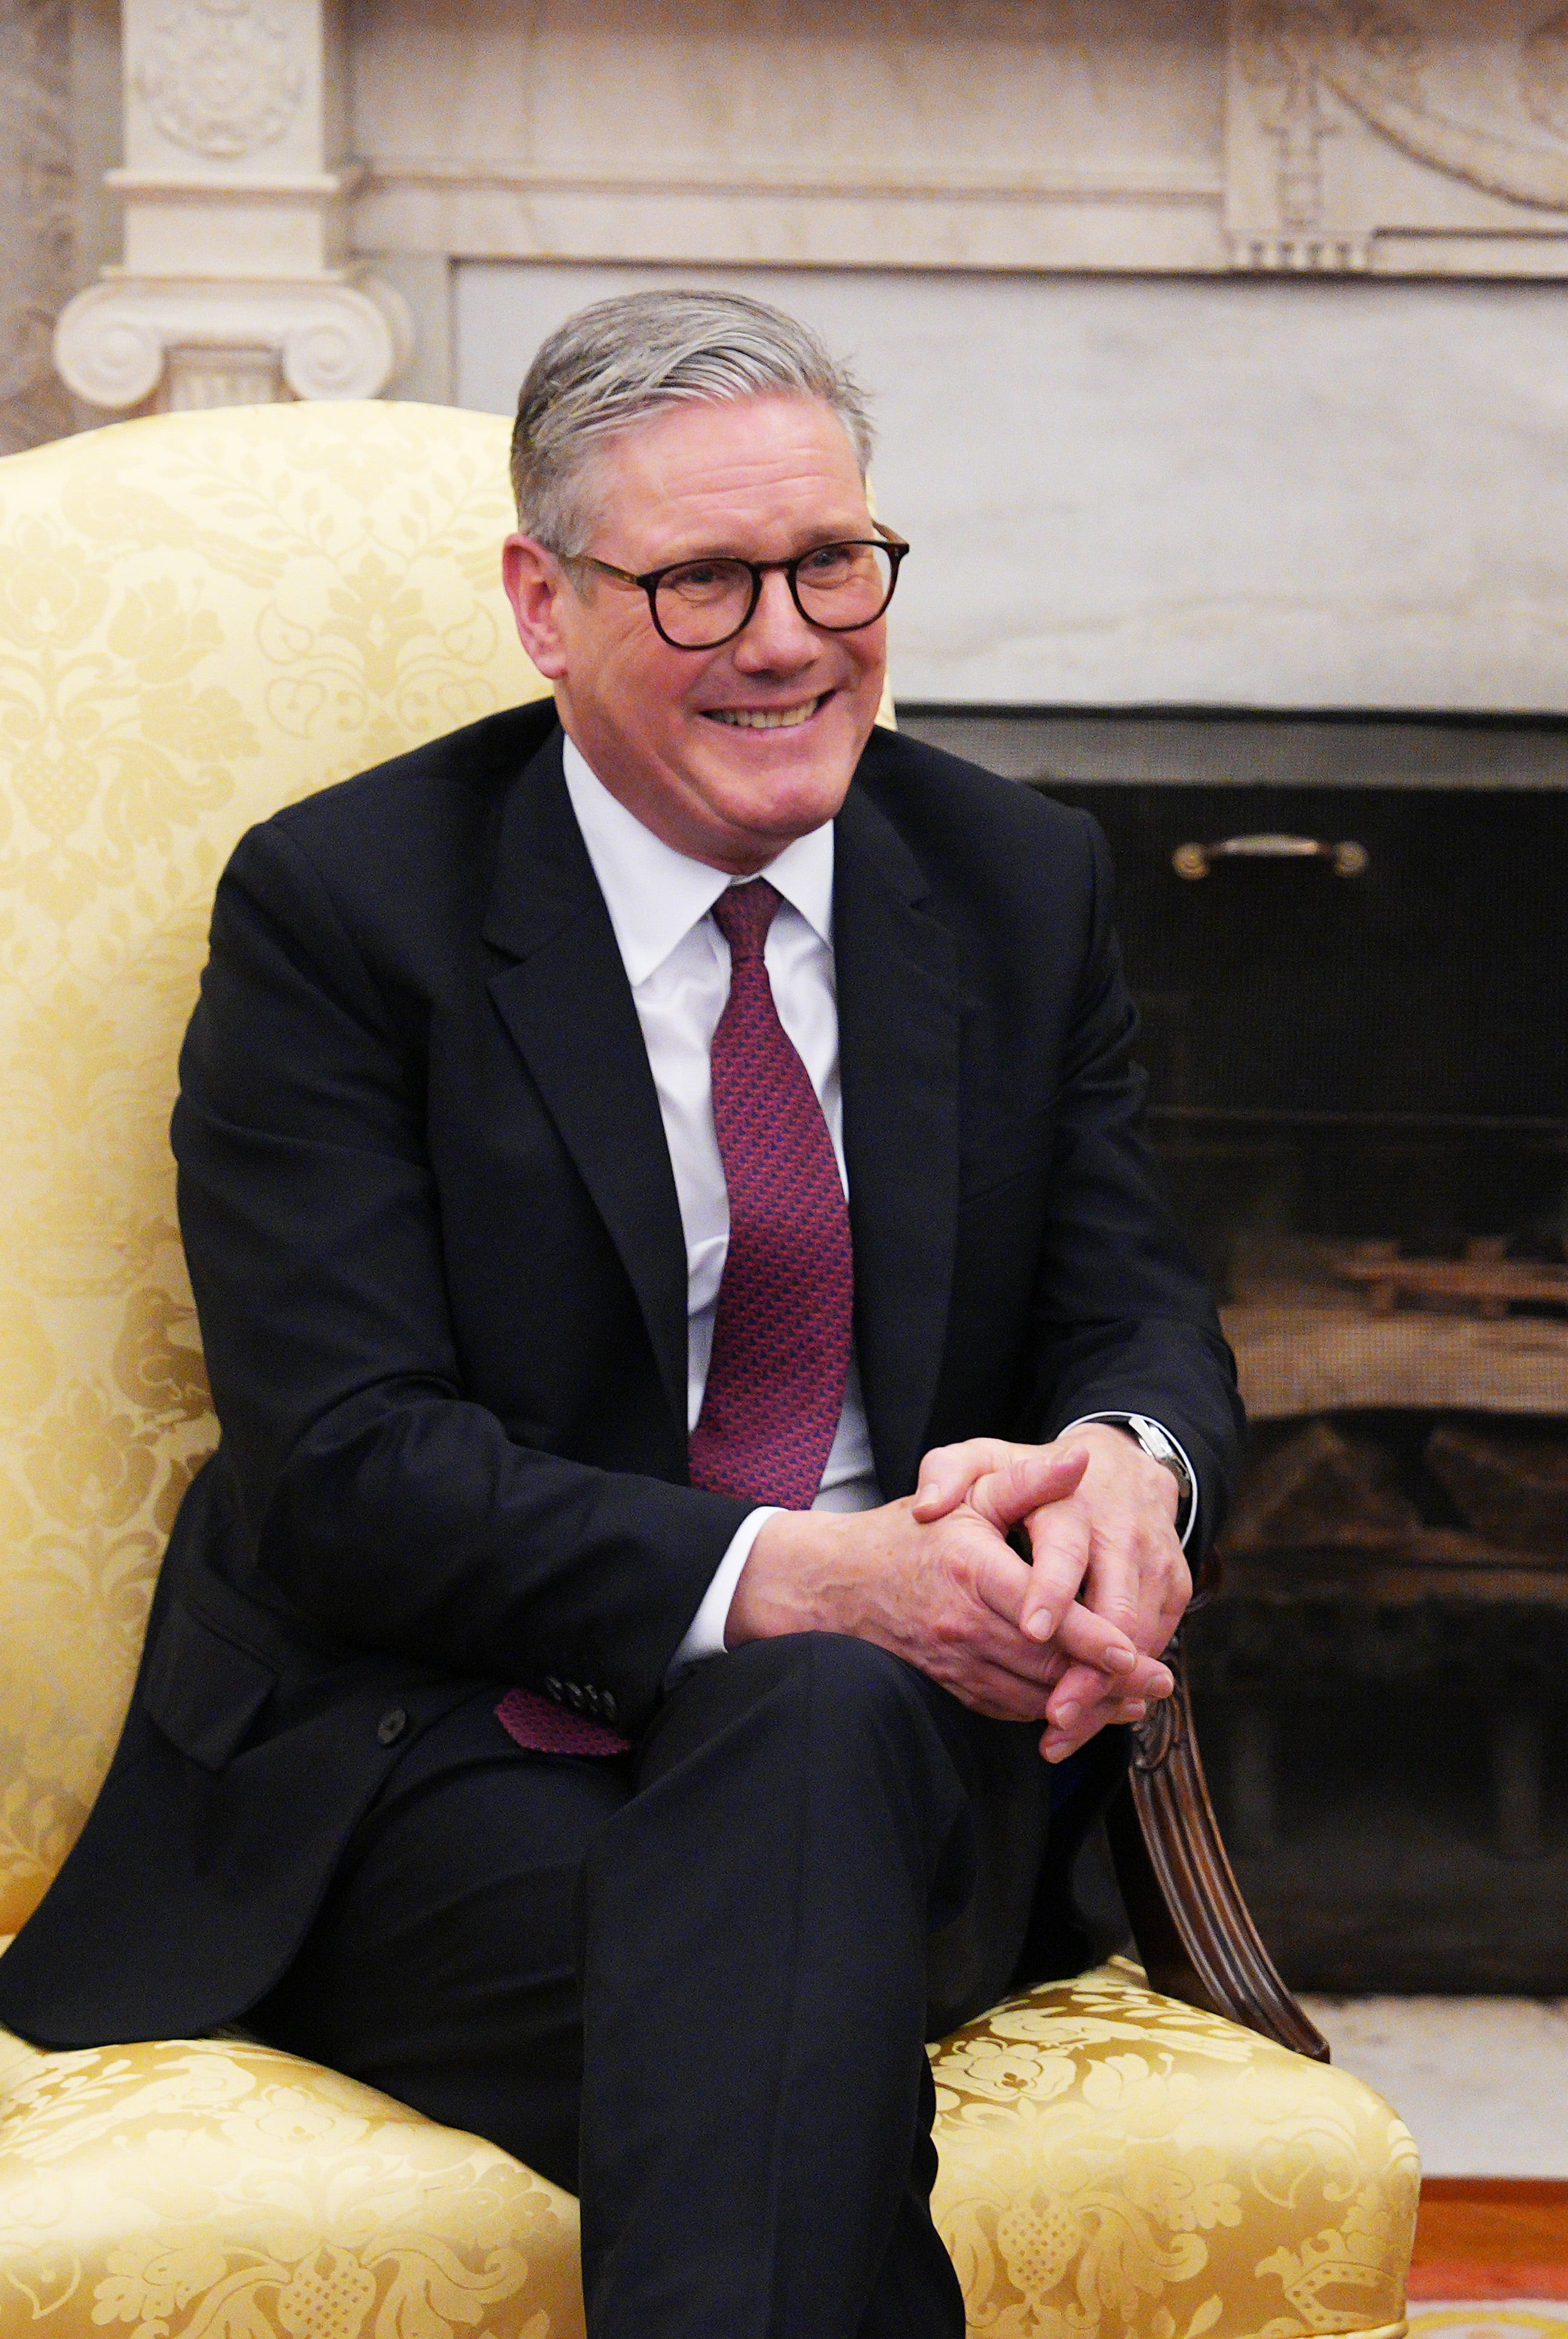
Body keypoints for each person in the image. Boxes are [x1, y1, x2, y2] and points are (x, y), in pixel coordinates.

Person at [0, 289, 1242, 2338]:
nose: (787, 638)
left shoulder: (1015, 882)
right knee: (780, 1981)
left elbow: (1139, 1307)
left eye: (832, 561)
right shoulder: (349, 912)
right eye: (698, 583)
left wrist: (1134, 1465)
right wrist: (800, 1578)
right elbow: (347, 1471)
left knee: (820, 1763)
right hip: (449, 1766)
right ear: (542, 603)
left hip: (908, 1764)